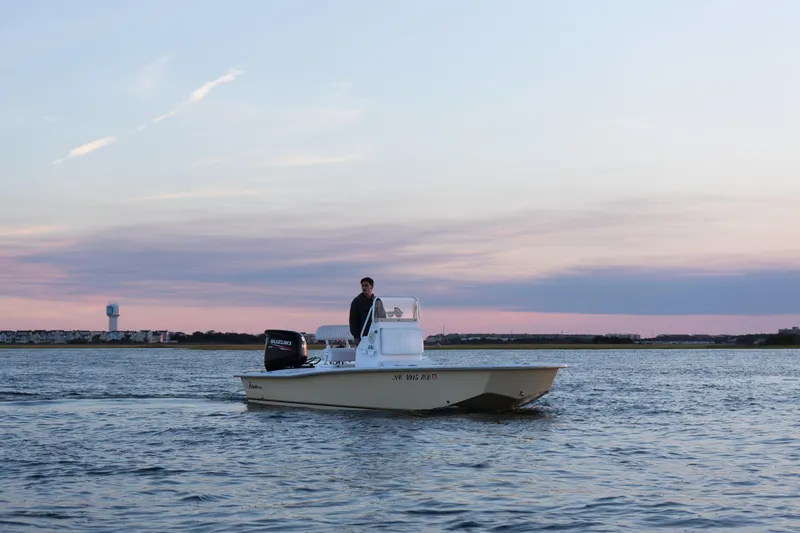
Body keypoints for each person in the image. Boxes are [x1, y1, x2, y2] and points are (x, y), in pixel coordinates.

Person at [349, 277, 378, 345]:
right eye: (362, 286)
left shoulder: (376, 301)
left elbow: (382, 317)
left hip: (375, 334)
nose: (364, 288)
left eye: (366, 285)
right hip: (362, 335)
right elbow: (353, 320)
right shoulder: (357, 301)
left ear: (371, 286)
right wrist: (356, 336)